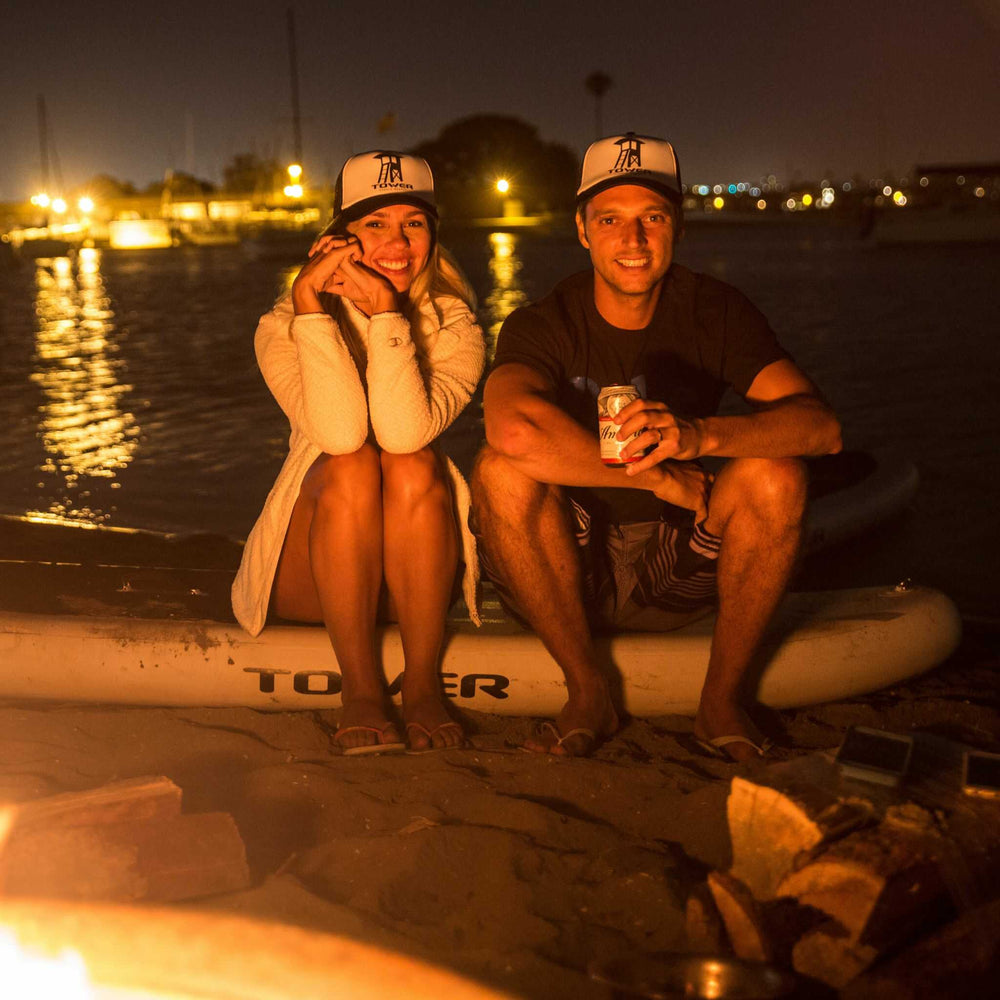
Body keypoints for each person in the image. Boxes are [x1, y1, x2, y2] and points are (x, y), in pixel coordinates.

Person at [470, 132, 841, 760]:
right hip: (569, 569)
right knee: (500, 470)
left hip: (680, 564)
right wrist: (654, 475)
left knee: (779, 475)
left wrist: (700, 435)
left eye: (653, 218)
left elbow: (820, 429)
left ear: (678, 228)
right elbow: (510, 429)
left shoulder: (714, 311)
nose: (633, 240)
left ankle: (721, 702)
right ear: (583, 231)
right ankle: (587, 690)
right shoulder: (544, 322)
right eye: (610, 219)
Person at [233, 151, 485, 754]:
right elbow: (342, 435)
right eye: (376, 224)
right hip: (310, 577)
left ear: (433, 236)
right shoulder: (281, 326)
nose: (397, 242)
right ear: (337, 239)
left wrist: (388, 317)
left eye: (414, 223)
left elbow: (402, 434)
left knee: (412, 459)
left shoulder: (457, 327)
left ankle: (422, 684)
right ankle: (363, 691)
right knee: (347, 464)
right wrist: (312, 307)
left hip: (413, 577)